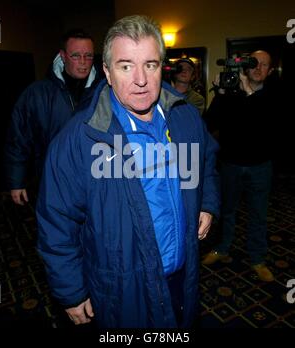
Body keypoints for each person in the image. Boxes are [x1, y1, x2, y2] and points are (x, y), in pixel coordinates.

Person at [36, 15, 220, 328]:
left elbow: (206, 161)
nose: (141, 79)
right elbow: (57, 221)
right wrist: (71, 291)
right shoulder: (80, 138)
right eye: (125, 65)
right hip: (123, 288)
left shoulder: (185, 117)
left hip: (182, 274)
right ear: (107, 71)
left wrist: (207, 202)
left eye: (150, 64)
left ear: (162, 66)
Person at [202, 50, 276, 282]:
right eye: (253, 63)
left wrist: (249, 91)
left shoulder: (274, 96)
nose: (257, 67)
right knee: (227, 211)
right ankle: (222, 248)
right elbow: (209, 122)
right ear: (245, 66)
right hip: (231, 164)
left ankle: (257, 258)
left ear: (270, 71)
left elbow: (266, 122)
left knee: (258, 214)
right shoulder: (232, 94)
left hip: (260, 166)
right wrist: (221, 93)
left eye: (263, 65)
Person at [5, 28, 99, 205]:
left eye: (88, 56)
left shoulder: (103, 92)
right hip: (51, 182)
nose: (83, 62)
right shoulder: (37, 93)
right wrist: (16, 181)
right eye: (76, 55)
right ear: (63, 56)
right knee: (56, 230)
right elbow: (19, 137)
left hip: (94, 183)